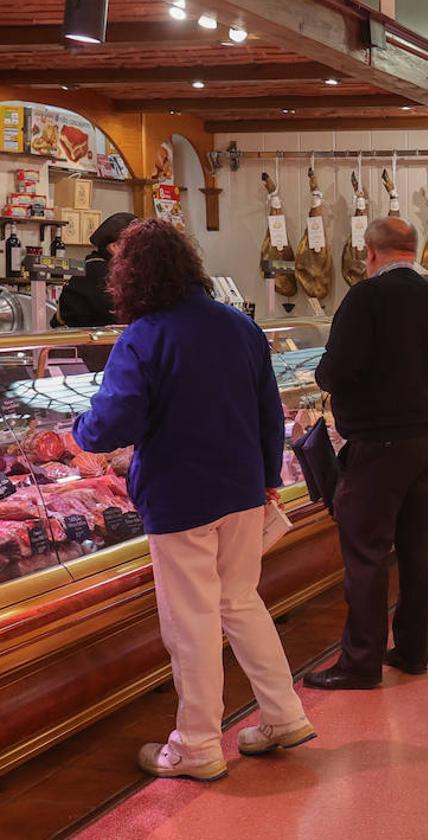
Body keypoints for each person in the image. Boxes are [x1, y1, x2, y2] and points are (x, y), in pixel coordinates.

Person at [73, 219, 313, 781]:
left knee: (192, 622)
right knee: (241, 602)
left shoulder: (143, 335)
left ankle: (198, 745)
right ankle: (283, 714)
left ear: (130, 276)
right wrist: (265, 478)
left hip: (180, 495)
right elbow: (268, 410)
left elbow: (114, 422)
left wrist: (81, 430)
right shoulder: (238, 326)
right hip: (241, 488)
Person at [305, 217, 428, 690]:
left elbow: (336, 369)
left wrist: (327, 382)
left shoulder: (366, 297)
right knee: (419, 551)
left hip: (377, 444)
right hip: (427, 442)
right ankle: (414, 651)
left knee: (366, 554)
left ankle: (360, 663)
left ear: (369, 251)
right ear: (414, 251)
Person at [53, 211, 134, 328]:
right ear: (115, 247)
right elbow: (122, 317)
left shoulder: (92, 267)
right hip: (86, 342)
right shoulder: (102, 274)